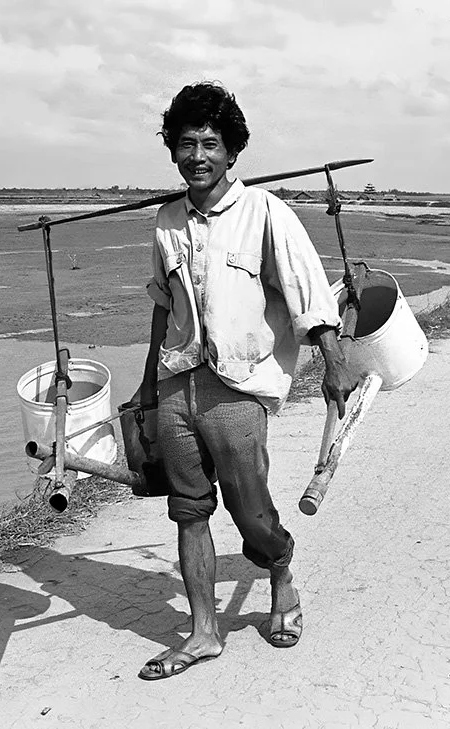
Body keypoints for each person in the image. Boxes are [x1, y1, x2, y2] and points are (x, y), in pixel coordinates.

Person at [137, 82, 360, 680]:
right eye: (187, 144)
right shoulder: (165, 222)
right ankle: (205, 632)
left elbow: (307, 290)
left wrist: (334, 361)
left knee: (251, 513)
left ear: (231, 152)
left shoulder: (266, 213)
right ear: (174, 152)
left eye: (211, 143)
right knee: (187, 510)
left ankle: (279, 571)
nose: (198, 156)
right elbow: (164, 306)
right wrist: (146, 385)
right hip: (177, 381)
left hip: (238, 388)